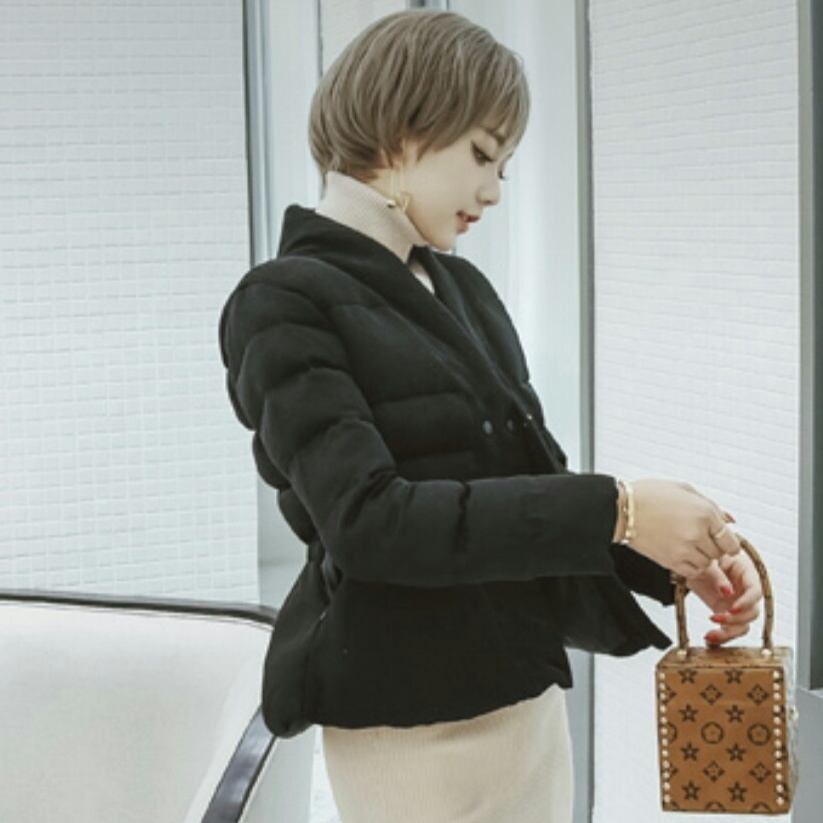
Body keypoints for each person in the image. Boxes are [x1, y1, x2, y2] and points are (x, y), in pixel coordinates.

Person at [218, 9, 764, 822]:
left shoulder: (462, 287)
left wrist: (672, 561)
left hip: (523, 696)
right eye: (480, 155)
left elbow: (526, 485)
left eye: (503, 165)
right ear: (401, 128)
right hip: (409, 725)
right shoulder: (281, 301)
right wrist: (619, 507)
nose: (493, 191)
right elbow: (369, 524)